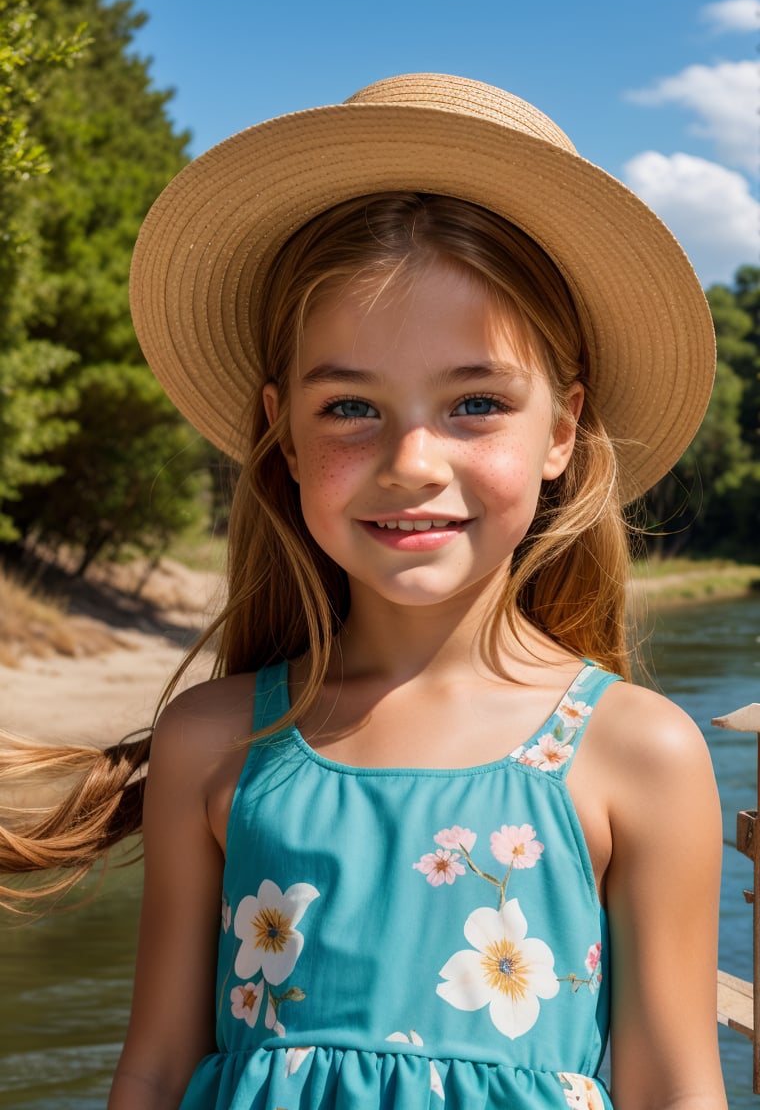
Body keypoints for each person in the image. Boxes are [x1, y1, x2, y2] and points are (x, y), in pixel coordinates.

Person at [0, 74, 726, 1110]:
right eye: (350, 405)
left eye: (475, 401)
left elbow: (675, 1091)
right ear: (283, 430)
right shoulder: (215, 740)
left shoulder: (637, 753)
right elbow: (155, 1071)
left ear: (561, 429)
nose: (412, 460)